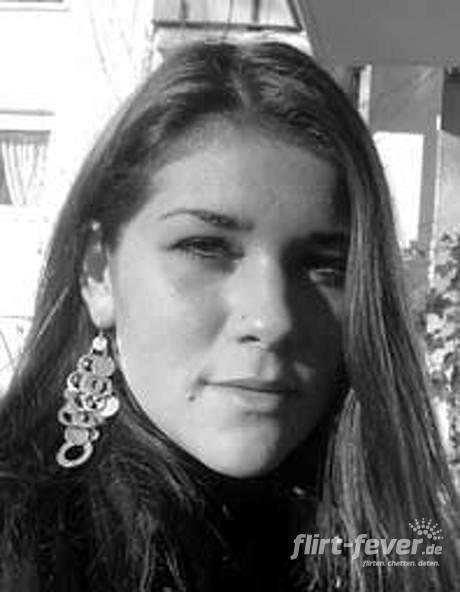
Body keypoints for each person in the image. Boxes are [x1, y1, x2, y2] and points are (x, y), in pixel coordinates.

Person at [0, 39, 458, 592]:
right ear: (99, 272)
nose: (273, 319)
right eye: (206, 247)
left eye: (326, 265)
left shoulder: (393, 546)